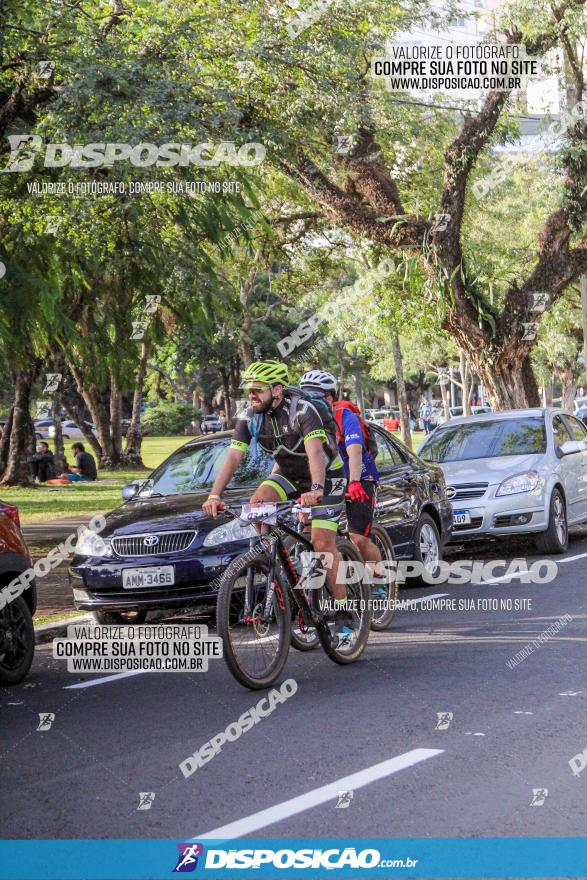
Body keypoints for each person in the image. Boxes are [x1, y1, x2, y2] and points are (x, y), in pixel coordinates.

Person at [202, 360, 354, 640]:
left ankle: (344, 612)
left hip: (325, 477)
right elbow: (234, 457)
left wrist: (317, 488)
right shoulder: (250, 417)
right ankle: (277, 563)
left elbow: (315, 454)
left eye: (257, 390)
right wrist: (215, 495)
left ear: (277, 390)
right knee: (258, 501)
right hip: (288, 474)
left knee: (321, 544)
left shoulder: (303, 411)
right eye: (249, 391)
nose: (252, 396)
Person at [300, 370, 384, 591]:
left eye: (315, 395)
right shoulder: (304, 418)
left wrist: (355, 482)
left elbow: (354, 452)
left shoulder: (345, 416)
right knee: (311, 535)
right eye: (305, 395)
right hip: (329, 481)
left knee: (358, 538)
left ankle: (380, 578)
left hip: (359, 476)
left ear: (329, 397)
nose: (309, 401)